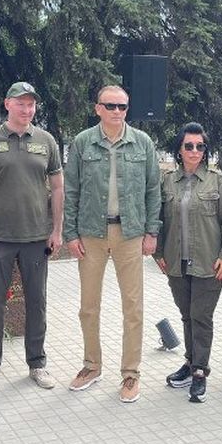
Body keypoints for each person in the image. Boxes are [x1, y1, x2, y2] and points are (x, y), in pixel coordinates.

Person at [63, 85, 161, 403]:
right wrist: (71, 234)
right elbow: (72, 190)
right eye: (111, 106)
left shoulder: (142, 143)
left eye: (122, 106)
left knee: (133, 308)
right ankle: (91, 367)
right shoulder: (82, 143)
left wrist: (151, 232)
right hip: (91, 234)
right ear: (98, 109)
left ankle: (131, 374)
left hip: (130, 235)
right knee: (88, 307)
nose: (117, 111)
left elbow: (152, 191)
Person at [0, 82, 64, 394]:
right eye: (21, 103)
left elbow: (58, 188)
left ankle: (37, 364)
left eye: (31, 104)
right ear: (7, 104)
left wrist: (57, 230)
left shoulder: (46, 141)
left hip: (37, 238)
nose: (27, 109)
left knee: (38, 303)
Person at [154, 123, 222, 403]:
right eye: (189, 146)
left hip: (208, 262)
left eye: (200, 146)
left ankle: (200, 371)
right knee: (187, 315)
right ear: (179, 149)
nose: (195, 151)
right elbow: (160, 219)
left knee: (201, 317)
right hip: (177, 262)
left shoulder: (217, 179)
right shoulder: (168, 181)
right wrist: (158, 253)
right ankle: (190, 363)